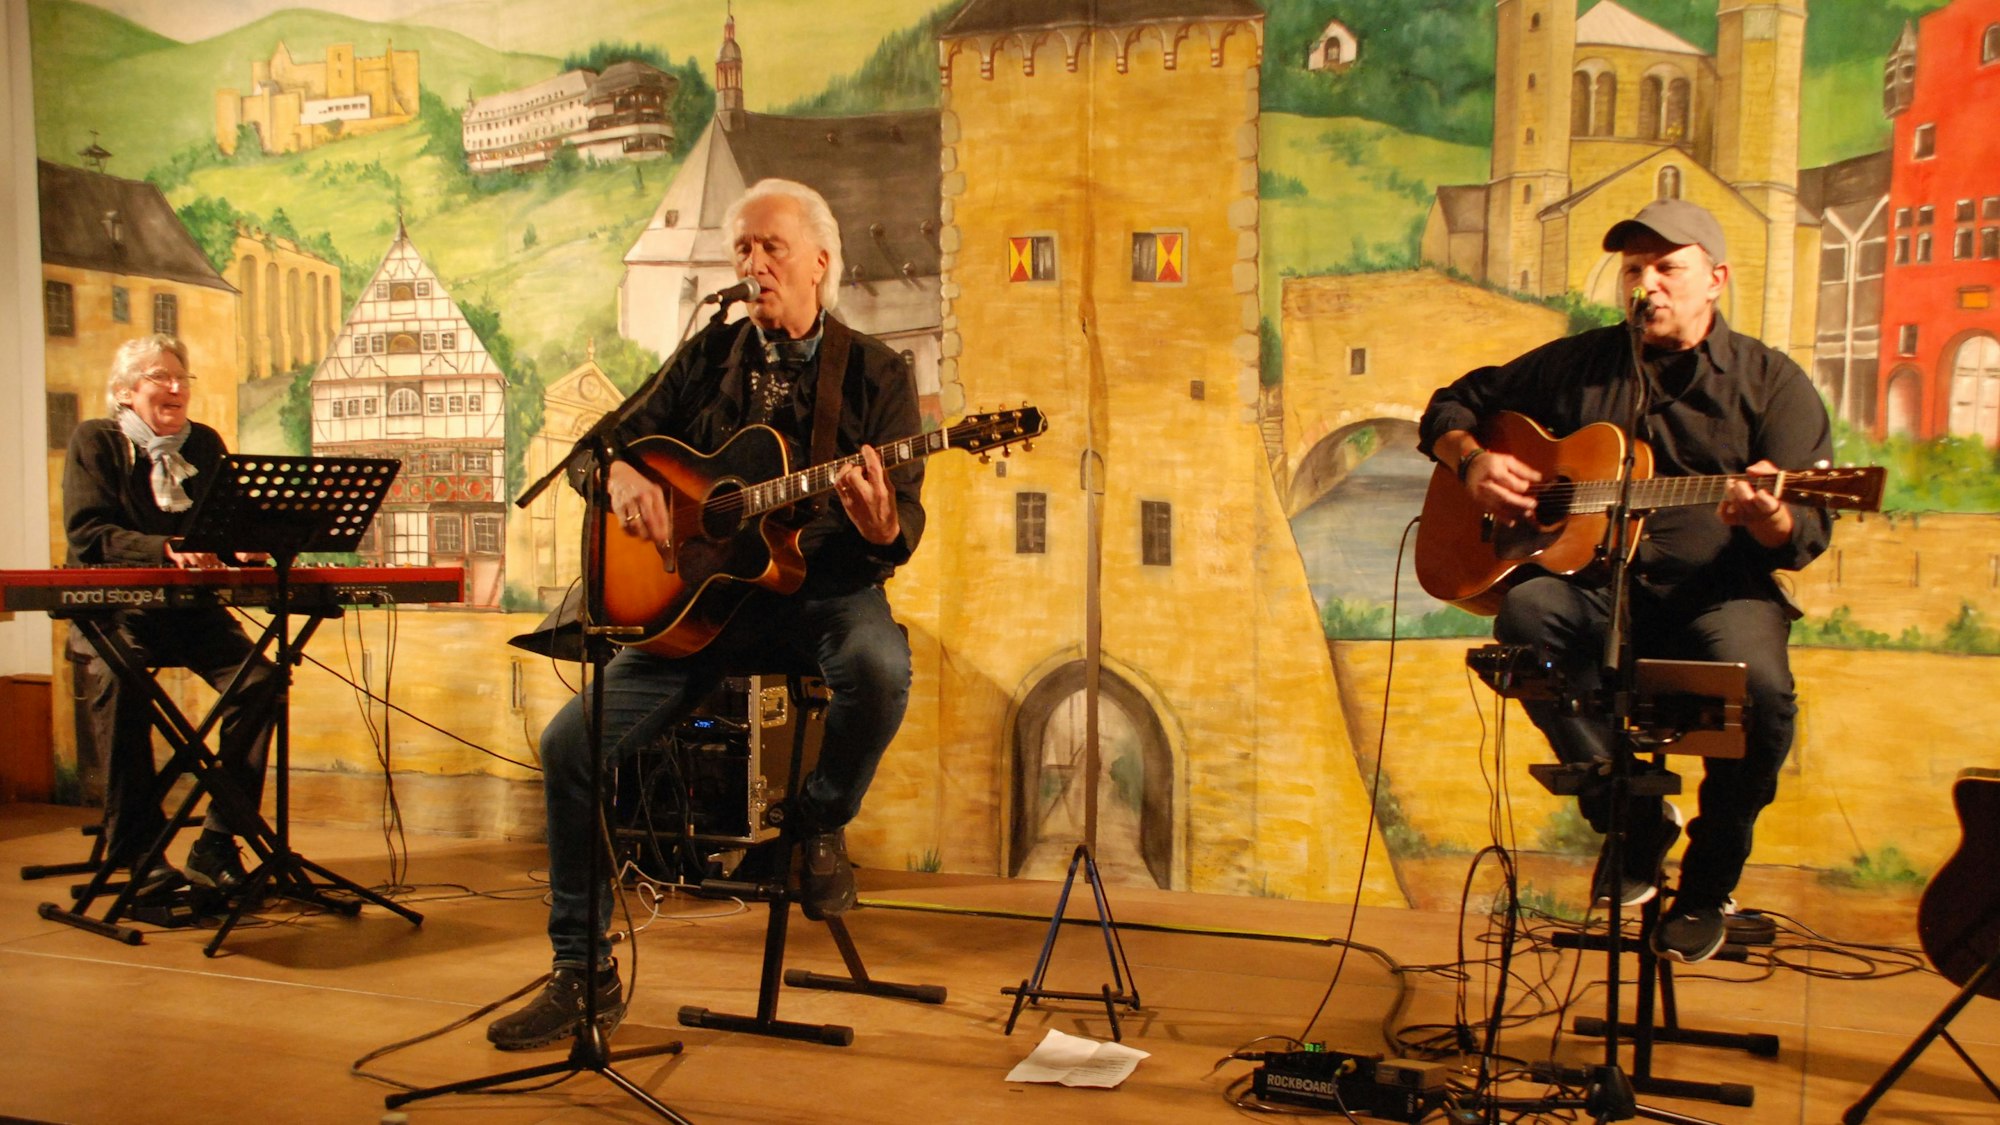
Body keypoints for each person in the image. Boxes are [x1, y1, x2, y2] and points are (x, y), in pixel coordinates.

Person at [487, 178, 927, 1050]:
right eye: (742, 250)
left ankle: (816, 824)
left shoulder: (878, 371)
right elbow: (596, 449)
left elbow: (899, 522)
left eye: (770, 247)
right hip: (700, 605)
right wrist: (618, 478)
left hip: (823, 596)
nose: (753, 264)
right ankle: (582, 973)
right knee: (568, 744)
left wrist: (881, 524)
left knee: (879, 669)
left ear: (820, 262)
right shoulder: (708, 356)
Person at [1418, 200, 1835, 964]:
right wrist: (1472, 461)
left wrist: (1769, 514)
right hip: (1599, 591)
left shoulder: (1772, 383)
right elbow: (1451, 405)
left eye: (1668, 268)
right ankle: (1633, 817)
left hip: (1718, 592)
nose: (1648, 284)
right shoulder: (1578, 365)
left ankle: (1708, 878)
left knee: (1766, 693)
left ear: (1715, 279)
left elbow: (1804, 535)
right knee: (1527, 617)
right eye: (1635, 270)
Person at [63, 334, 281, 899]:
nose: (176, 387)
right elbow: (88, 536)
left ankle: (217, 841)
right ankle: (138, 852)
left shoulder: (203, 445)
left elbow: (220, 530)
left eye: (182, 377)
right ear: (127, 390)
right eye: (161, 377)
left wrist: (243, 548)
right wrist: (163, 548)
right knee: (122, 682)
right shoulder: (97, 441)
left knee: (261, 682)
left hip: (189, 613)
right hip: (116, 613)